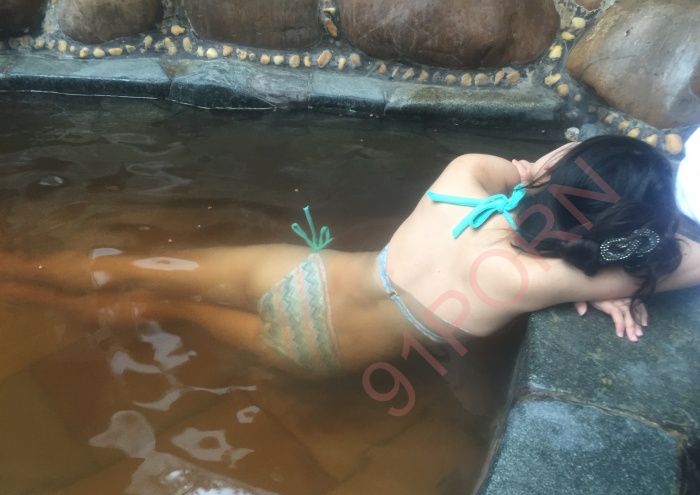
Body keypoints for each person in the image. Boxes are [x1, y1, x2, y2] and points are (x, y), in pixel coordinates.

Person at [1, 136, 699, 375]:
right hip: (318, 341)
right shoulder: (539, 278)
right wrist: (616, 276)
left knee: (133, 267)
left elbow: (534, 170)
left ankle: (12, 273)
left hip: (299, 271)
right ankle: (22, 297)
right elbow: (682, 259)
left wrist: (561, 169)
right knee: (159, 306)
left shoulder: (467, 176)